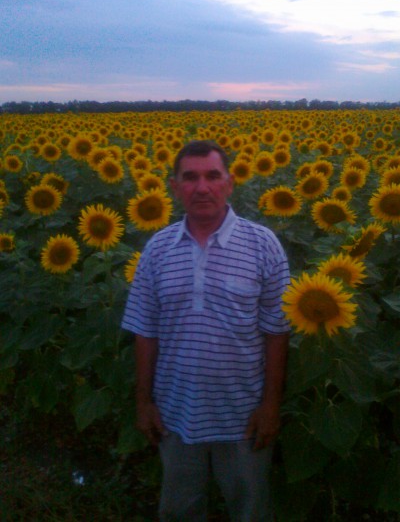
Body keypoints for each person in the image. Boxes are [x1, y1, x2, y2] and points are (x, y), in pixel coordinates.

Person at [121, 140, 291, 521]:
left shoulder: (263, 245)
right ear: (174, 186)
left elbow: (277, 332)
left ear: (229, 183)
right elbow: (145, 330)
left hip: (243, 414)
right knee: (181, 509)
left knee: (250, 508)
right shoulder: (157, 249)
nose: (202, 187)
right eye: (190, 177)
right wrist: (144, 402)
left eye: (213, 176)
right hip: (175, 411)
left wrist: (270, 405)